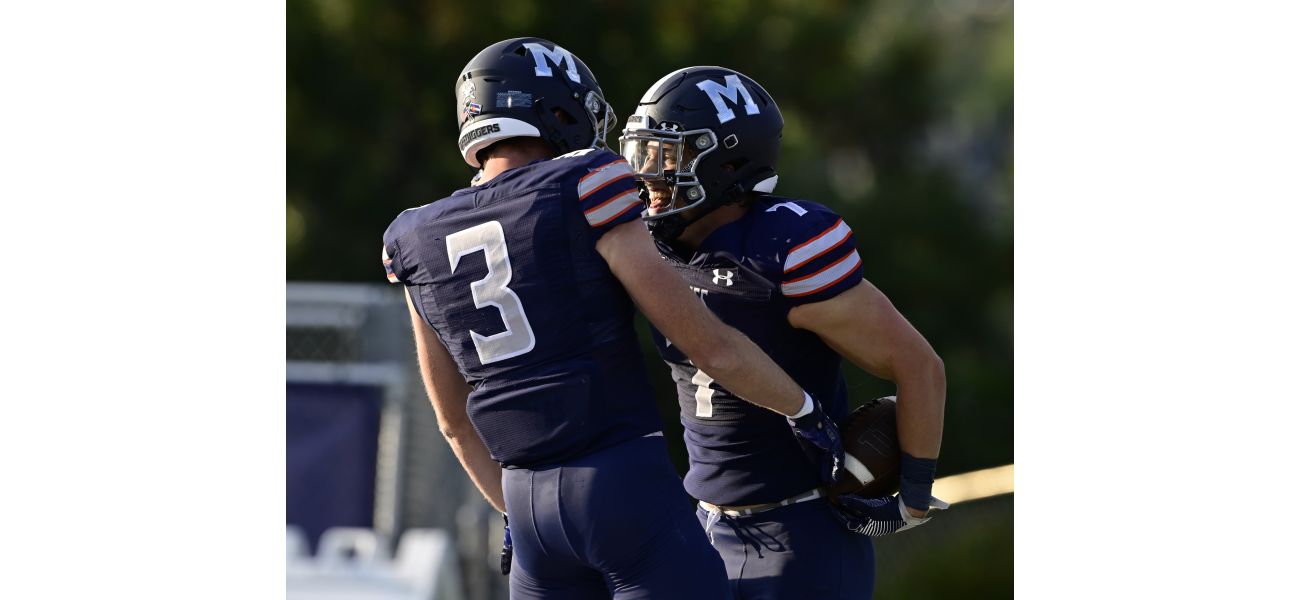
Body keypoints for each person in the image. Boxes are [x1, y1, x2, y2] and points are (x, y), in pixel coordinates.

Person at [381, 39, 843, 599]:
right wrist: (806, 411)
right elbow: (709, 347)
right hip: (621, 482)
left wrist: (517, 515)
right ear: (557, 113)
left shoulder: (410, 235)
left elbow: (453, 421)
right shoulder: (585, 181)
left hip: (525, 504)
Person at [618, 66, 948, 598]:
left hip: (800, 534)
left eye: (668, 156)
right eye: (645, 154)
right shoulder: (648, 246)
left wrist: (912, 495)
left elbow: (919, 365)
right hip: (701, 527)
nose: (649, 175)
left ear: (728, 162)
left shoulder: (784, 246)